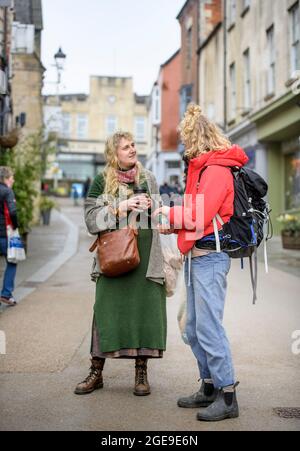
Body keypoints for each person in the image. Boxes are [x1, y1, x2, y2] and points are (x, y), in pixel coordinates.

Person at [154, 104, 249, 422]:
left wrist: (169, 215)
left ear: (197, 139)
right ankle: (209, 386)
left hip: (210, 259)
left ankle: (228, 395)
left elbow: (198, 216)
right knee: (193, 329)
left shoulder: (216, 171)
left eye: (185, 140)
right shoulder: (203, 170)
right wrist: (176, 224)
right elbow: (197, 219)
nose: (183, 147)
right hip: (198, 257)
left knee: (209, 327)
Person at [74, 131, 166, 397]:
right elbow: (91, 220)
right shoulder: (101, 181)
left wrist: (152, 208)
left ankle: (141, 372)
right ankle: (96, 372)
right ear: (114, 154)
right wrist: (121, 206)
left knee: (144, 313)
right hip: (113, 258)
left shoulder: (148, 178)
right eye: (126, 147)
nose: (132, 149)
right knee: (104, 310)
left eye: (133, 145)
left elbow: (158, 216)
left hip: (146, 257)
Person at [0, 166, 19, 307]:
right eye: (11, 177)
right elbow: (12, 212)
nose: (13, 180)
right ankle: (6, 294)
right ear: (6, 178)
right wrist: (16, 226)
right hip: (4, 234)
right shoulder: (7, 192)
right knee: (12, 262)